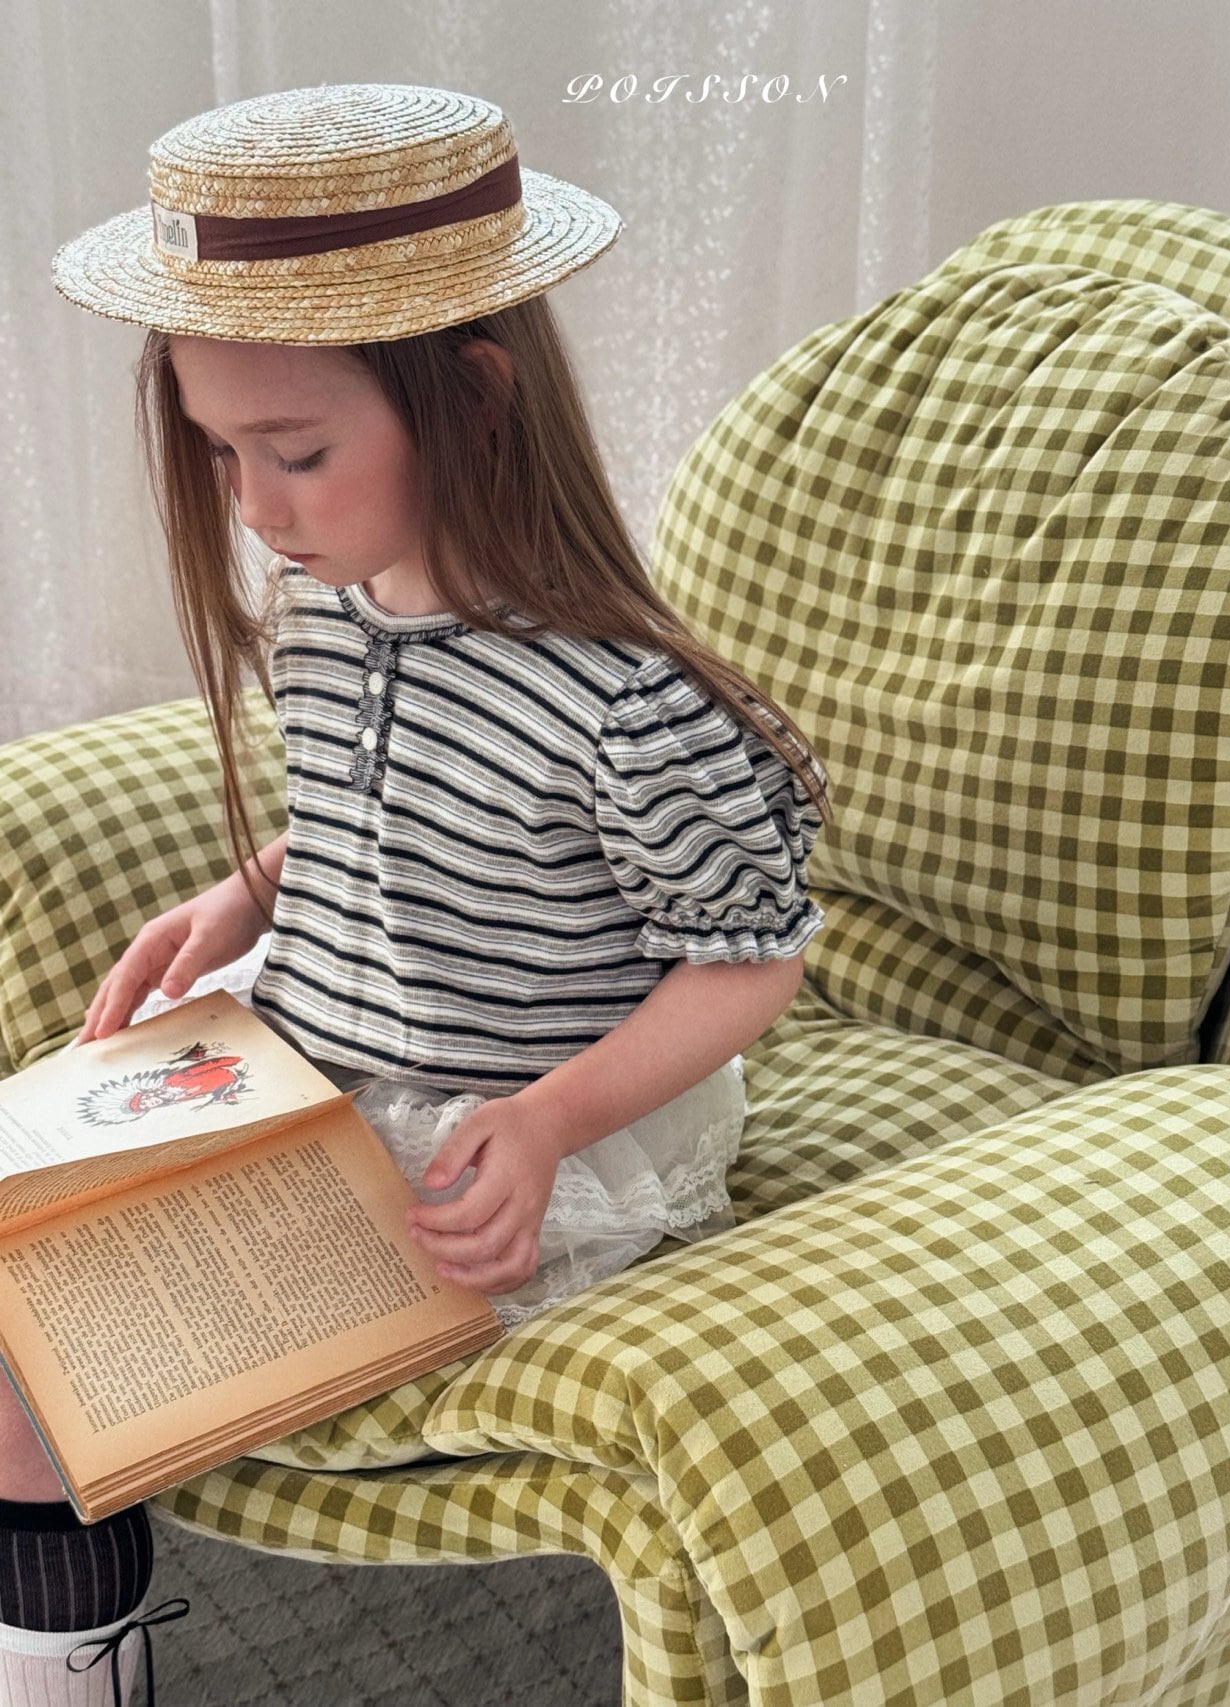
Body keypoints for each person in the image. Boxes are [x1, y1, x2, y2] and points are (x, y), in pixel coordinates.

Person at [7, 83, 829, 1705]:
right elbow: (384, 817)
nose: (254, 509)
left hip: (503, 1128)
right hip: (319, 1048)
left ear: (475, 399)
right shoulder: (328, 616)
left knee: (38, 1341)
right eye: (220, 454)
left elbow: (748, 961)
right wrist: (248, 894)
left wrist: (549, 1119)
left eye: (298, 453)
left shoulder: (626, 704)